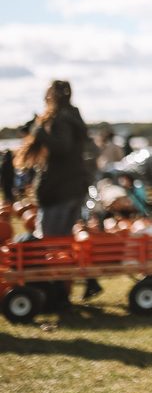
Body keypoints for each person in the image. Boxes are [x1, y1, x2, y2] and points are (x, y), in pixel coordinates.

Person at [15, 80, 98, 302]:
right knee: (63, 243)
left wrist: (40, 131)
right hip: (72, 188)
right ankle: (63, 291)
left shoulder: (61, 119)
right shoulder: (73, 117)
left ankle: (55, 294)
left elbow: (62, 147)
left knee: (50, 244)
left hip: (59, 189)